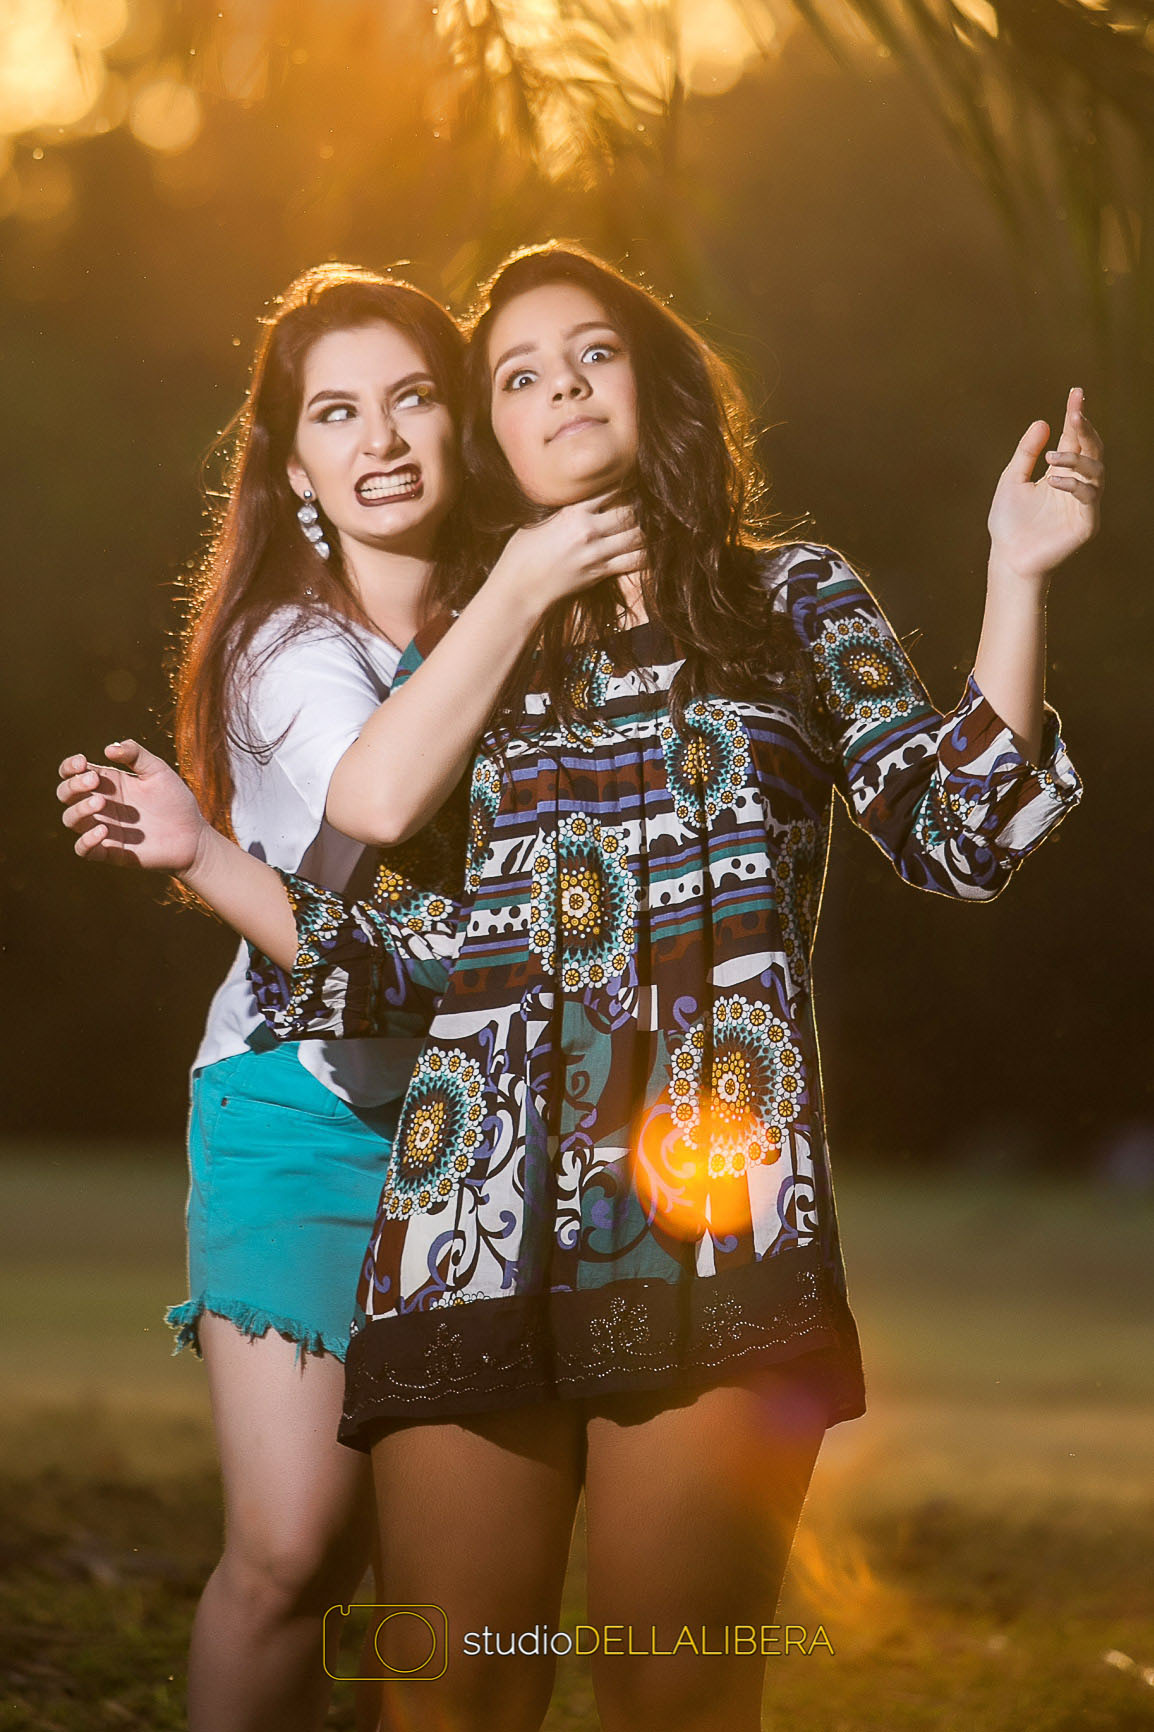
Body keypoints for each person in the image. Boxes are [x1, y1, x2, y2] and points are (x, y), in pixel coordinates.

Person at [58, 243, 1102, 1732]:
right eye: (518, 374)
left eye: (590, 353)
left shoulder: (790, 598)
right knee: (454, 1695)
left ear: (654, 382)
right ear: (495, 434)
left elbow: (955, 834)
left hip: (709, 1218)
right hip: (464, 1223)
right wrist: (212, 860)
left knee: (671, 1694)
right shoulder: (481, 651)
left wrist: (1015, 575)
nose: (558, 387)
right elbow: (427, 941)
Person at [59, 256, 643, 1732]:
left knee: (433, 1563)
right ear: (295, 462)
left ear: (460, 424)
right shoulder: (285, 655)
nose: (378, 440)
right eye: (335, 414)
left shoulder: (523, 615)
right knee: (292, 1541)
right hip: (301, 1111)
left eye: (410, 401)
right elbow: (377, 838)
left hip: (484, 1130)